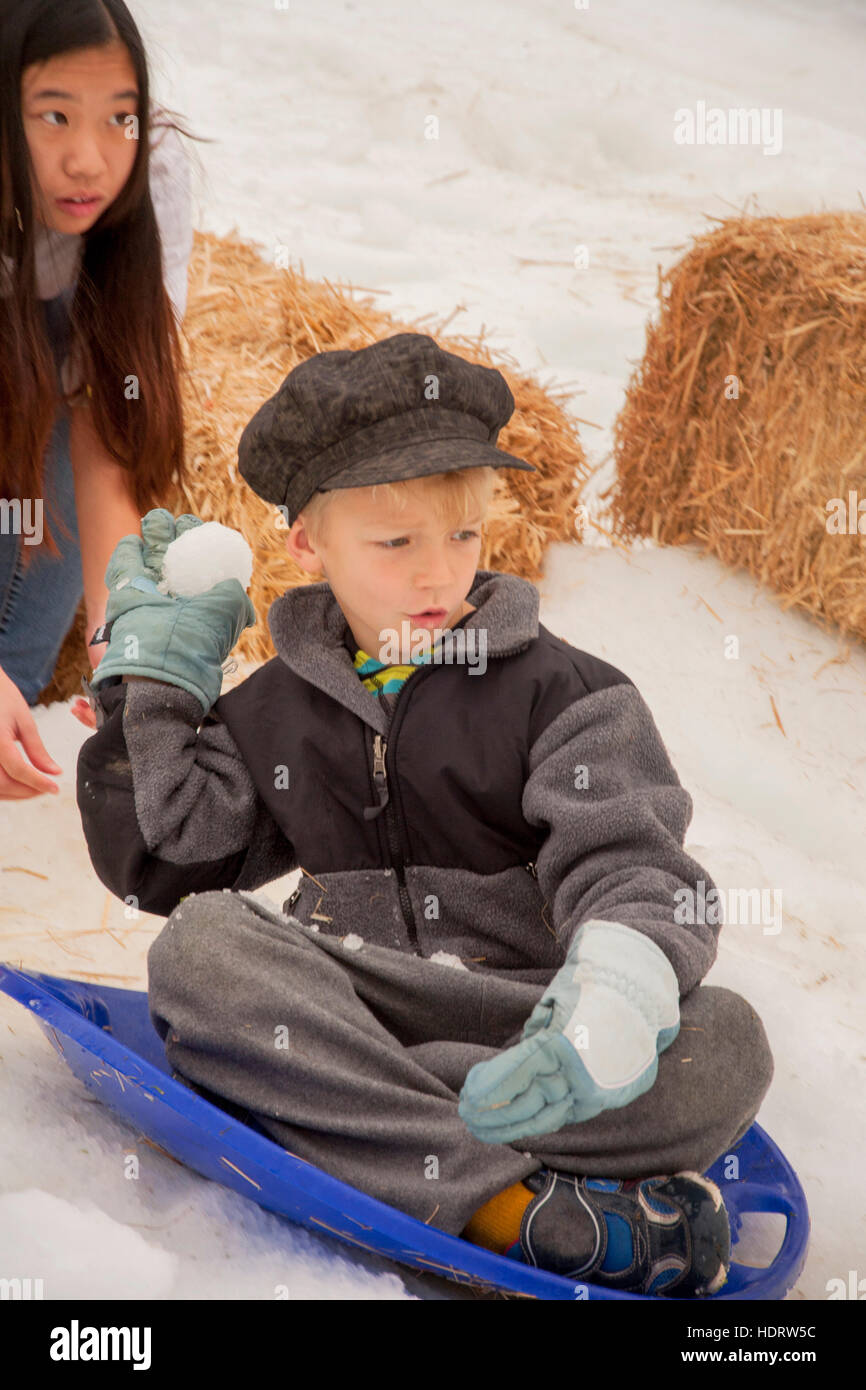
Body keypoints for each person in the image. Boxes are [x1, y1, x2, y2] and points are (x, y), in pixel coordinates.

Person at [75, 332, 774, 1296]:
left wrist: (615, 999)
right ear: (307, 544)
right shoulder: (278, 708)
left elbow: (630, 863)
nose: (437, 574)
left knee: (726, 1042)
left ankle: (343, 1125)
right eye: (396, 542)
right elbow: (168, 858)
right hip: (354, 1009)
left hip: (529, 1036)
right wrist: (153, 683)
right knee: (201, 949)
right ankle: (509, 1211)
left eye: (463, 536)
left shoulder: (568, 696)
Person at [0, 0, 194, 800]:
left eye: (118, 117)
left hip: (34, 386)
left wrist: (126, 637)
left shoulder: (155, 172)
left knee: (18, 669)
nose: (91, 159)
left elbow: (111, 435)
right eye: (53, 116)